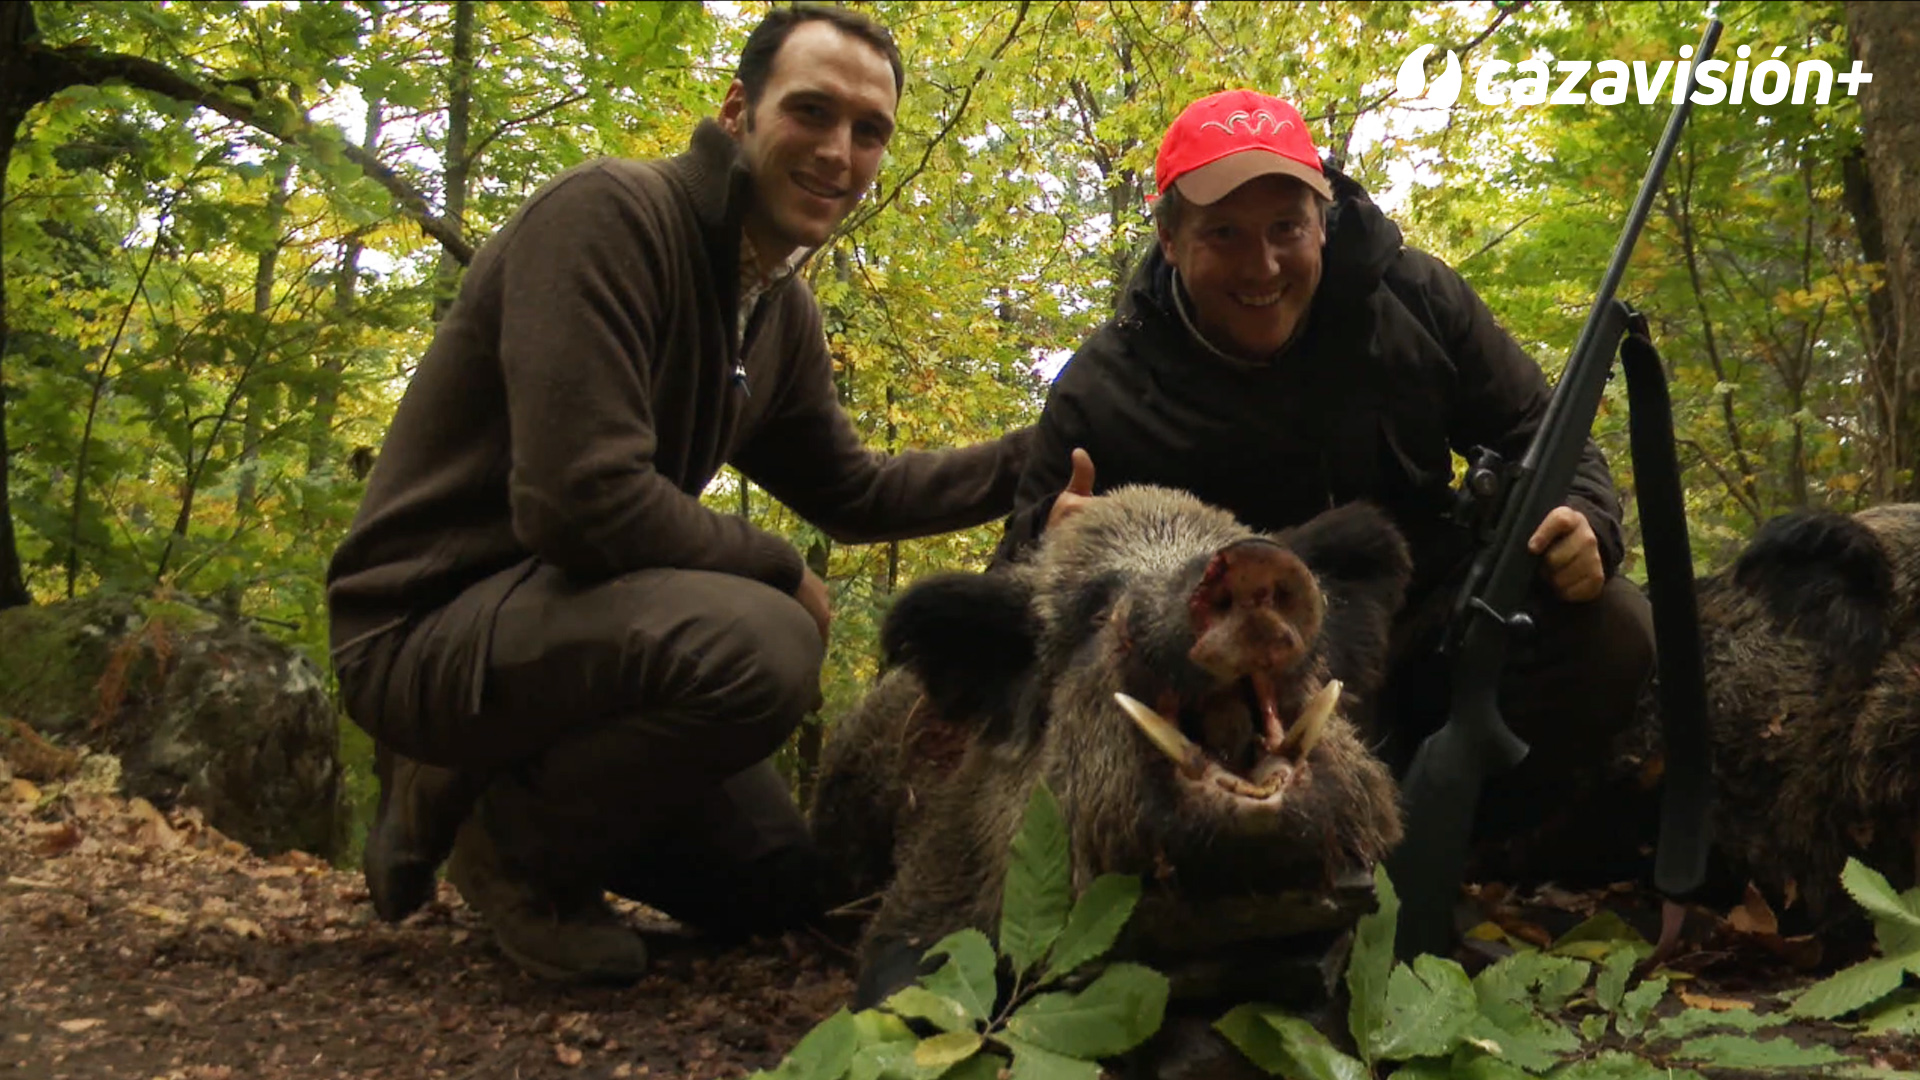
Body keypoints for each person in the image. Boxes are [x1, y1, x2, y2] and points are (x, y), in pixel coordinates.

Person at [326, 3, 1032, 985]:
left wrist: (1041, 455)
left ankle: (480, 781)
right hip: (424, 627)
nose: (840, 151)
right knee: (768, 640)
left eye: (869, 132)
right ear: (740, 111)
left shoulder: (776, 310)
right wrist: (781, 570)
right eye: (813, 112)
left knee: (783, 892)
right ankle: (517, 856)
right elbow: (580, 501)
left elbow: (855, 491)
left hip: (576, 644)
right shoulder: (607, 218)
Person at [993, 89, 1654, 846]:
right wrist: (1052, 547)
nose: (1264, 264)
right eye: (1226, 234)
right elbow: (1015, 590)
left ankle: (1479, 853)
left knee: (1613, 629)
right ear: (1170, 241)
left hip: (1425, 621)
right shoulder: (1104, 388)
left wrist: (1584, 518)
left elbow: (1537, 426)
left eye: (1286, 228)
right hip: (1242, 670)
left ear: (1325, 218)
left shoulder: (1415, 300)